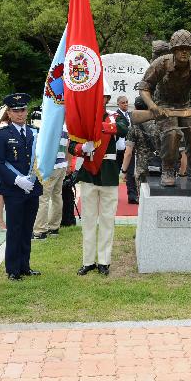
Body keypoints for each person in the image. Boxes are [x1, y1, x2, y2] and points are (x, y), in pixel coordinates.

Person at [138, 29, 191, 186]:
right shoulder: (161, 63)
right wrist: (152, 106)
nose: (184, 52)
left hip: (185, 106)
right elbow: (144, 87)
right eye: (180, 48)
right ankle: (168, 169)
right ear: (173, 50)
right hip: (164, 106)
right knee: (172, 135)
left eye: (188, 49)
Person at [70, 83, 129, 276]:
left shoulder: (115, 116)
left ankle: (104, 261)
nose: (98, 100)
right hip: (89, 173)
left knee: (106, 219)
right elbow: (72, 146)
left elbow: (123, 128)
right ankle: (88, 261)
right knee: (88, 220)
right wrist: (81, 149)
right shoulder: (82, 119)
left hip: (109, 174)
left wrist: (97, 128)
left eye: (102, 97)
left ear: (107, 99)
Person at [0, 93, 43, 280]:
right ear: (9, 113)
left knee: (27, 228)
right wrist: (16, 180)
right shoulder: (3, 135)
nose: (20, 114)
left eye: (22, 110)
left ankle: (25, 266)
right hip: (14, 189)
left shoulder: (33, 132)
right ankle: (13, 269)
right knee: (14, 228)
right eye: (16, 111)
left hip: (31, 187)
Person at [33, 128, 69, 240]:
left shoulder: (51, 126)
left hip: (50, 166)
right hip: (62, 164)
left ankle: (40, 231)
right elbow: (67, 147)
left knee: (43, 198)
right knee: (57, 196)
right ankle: (54, 227)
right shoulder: (65, 128)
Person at [122, 97, 161, 192]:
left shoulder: (134, 128)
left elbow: (128, 153)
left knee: (144, 200)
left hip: (142, 168)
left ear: (135, 107)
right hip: (160, 166)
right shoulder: (160, 124)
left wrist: (124, 171)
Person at [114, 95, 138, 203]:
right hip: (118, 148)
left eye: (127, 102)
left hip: (129, 147)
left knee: (130, 171)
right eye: (123, 102)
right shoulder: (115, 115)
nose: (125, 104)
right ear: (118, 104)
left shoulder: (130, 115)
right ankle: (112, 194)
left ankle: (132, 195)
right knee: (115, 172)